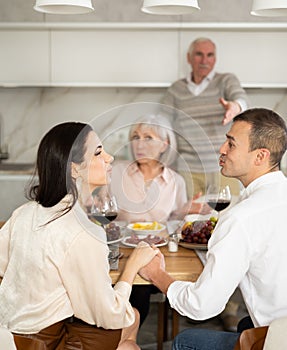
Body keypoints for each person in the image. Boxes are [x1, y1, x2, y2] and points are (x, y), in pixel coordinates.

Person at [0, 122, 159, 350]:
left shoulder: (23, 213)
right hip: (47, 343)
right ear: (74, 168)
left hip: (9, 336)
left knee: (131, 316)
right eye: (98, 153)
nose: (110, 157)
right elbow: (110, 315)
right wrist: (131, 267)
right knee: (129, 339)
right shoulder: (84, 232)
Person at [139, 108, 287, 350]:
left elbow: (201, 306)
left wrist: (157, 274)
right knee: (245, 324)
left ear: (260, 156)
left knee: (186, 341)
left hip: (279, 340)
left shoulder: (241, 218)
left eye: (231, 144)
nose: (221, 149)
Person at [110, 114, 210, 326]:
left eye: (148, 138)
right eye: (135, 137)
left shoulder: (176, 181)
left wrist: (185, 211)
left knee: (141, 288)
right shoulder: (116, 173)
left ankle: (127, 332)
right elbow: (103, 213)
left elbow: (174, 224)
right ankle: (123, 333)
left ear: (165, 144)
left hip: (158, 255)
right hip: (121, 254)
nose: (139, 143)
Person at [162, 37, 249, 198]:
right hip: (188, 171)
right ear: (189, 58)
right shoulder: (176, 89)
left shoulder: (225, 81)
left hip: (223, 169)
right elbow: (162, 125)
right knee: (193, 220)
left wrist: (235, 107)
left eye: (210, 55)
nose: (204, 60)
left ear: (215, 59)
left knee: (227, 216)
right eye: (199, 54)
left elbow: (241, 99)